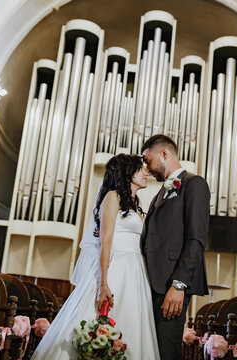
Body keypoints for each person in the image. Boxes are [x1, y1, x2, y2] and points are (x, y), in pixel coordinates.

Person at [32, 154, 160, 359]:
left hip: (135, 270)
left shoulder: (135, 202)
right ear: (127, 173)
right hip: (116, 266)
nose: (146, 172)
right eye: (140, 168)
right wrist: (103, 283)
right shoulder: (113, 196)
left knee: (134, 324)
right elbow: (105, 241)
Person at [141, 134, 210, 360]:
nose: (147, 168)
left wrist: (179, 285)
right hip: (152, 285)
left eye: (148, 161)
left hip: (172, 286)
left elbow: (196, 239)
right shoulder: (159, 194)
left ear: (163, 154)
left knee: (167, 352)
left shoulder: (194, 184)